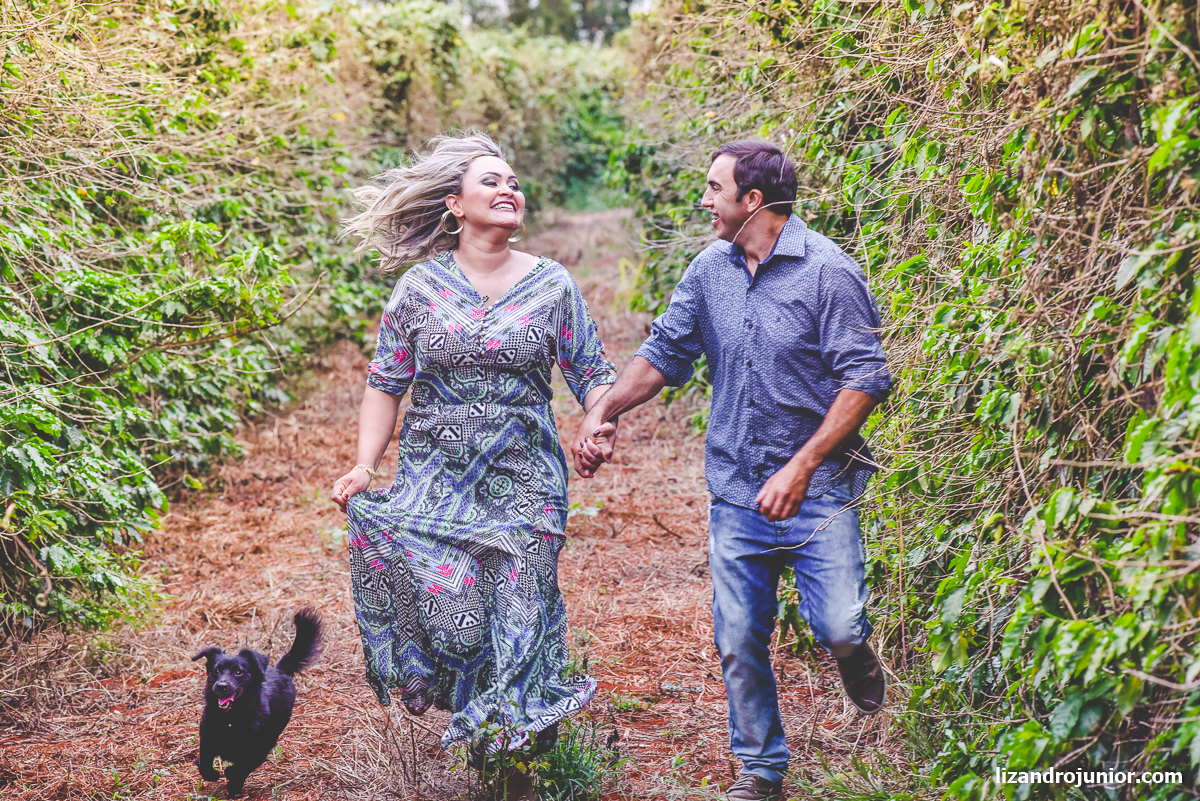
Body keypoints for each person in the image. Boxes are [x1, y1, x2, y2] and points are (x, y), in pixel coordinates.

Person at [573, 140, 891, 801]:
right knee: (739, 636)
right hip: (737, 489)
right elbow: (664, 354)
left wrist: (803, 466)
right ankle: (762, 770)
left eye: (714, 189)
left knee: (837, 624)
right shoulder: (711, 269)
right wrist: (603, 410)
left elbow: (865, 380)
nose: (704, 200)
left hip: (818, 488)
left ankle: (854, 651)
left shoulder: (830, 273)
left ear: (752, 201)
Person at [331, 132, 617, 801]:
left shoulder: (553, 286)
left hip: (527, 480)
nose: (508, 189)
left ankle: (511, 767)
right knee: (461, 616)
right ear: (455, 204)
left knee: (519, 608)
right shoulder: (419, 289)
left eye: (514, 181)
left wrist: (599, 423)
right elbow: (385, 382)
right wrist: (365, 465)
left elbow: (594, 375)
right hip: (435, 479)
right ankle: (465, 703)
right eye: (491, 181)